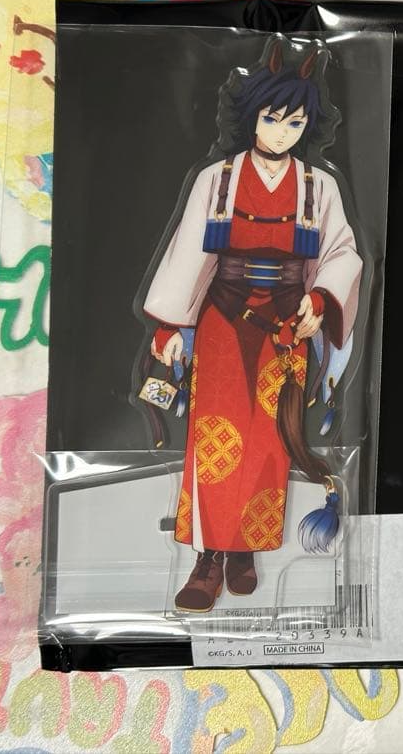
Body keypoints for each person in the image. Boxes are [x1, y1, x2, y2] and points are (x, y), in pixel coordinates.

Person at [142, 40, 362, 612]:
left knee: (270, 441)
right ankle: (208, 557)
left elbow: (342, 253)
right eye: (272, 118)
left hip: (287, 325)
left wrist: (321, 298)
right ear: (251, 116)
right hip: (221, 317)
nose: (283, 133)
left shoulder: (319, 186)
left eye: (296, 122)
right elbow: (190, 254)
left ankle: (244, 551)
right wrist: (170, 325)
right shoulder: (216, 179)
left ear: (309, 126)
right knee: (214, 438)